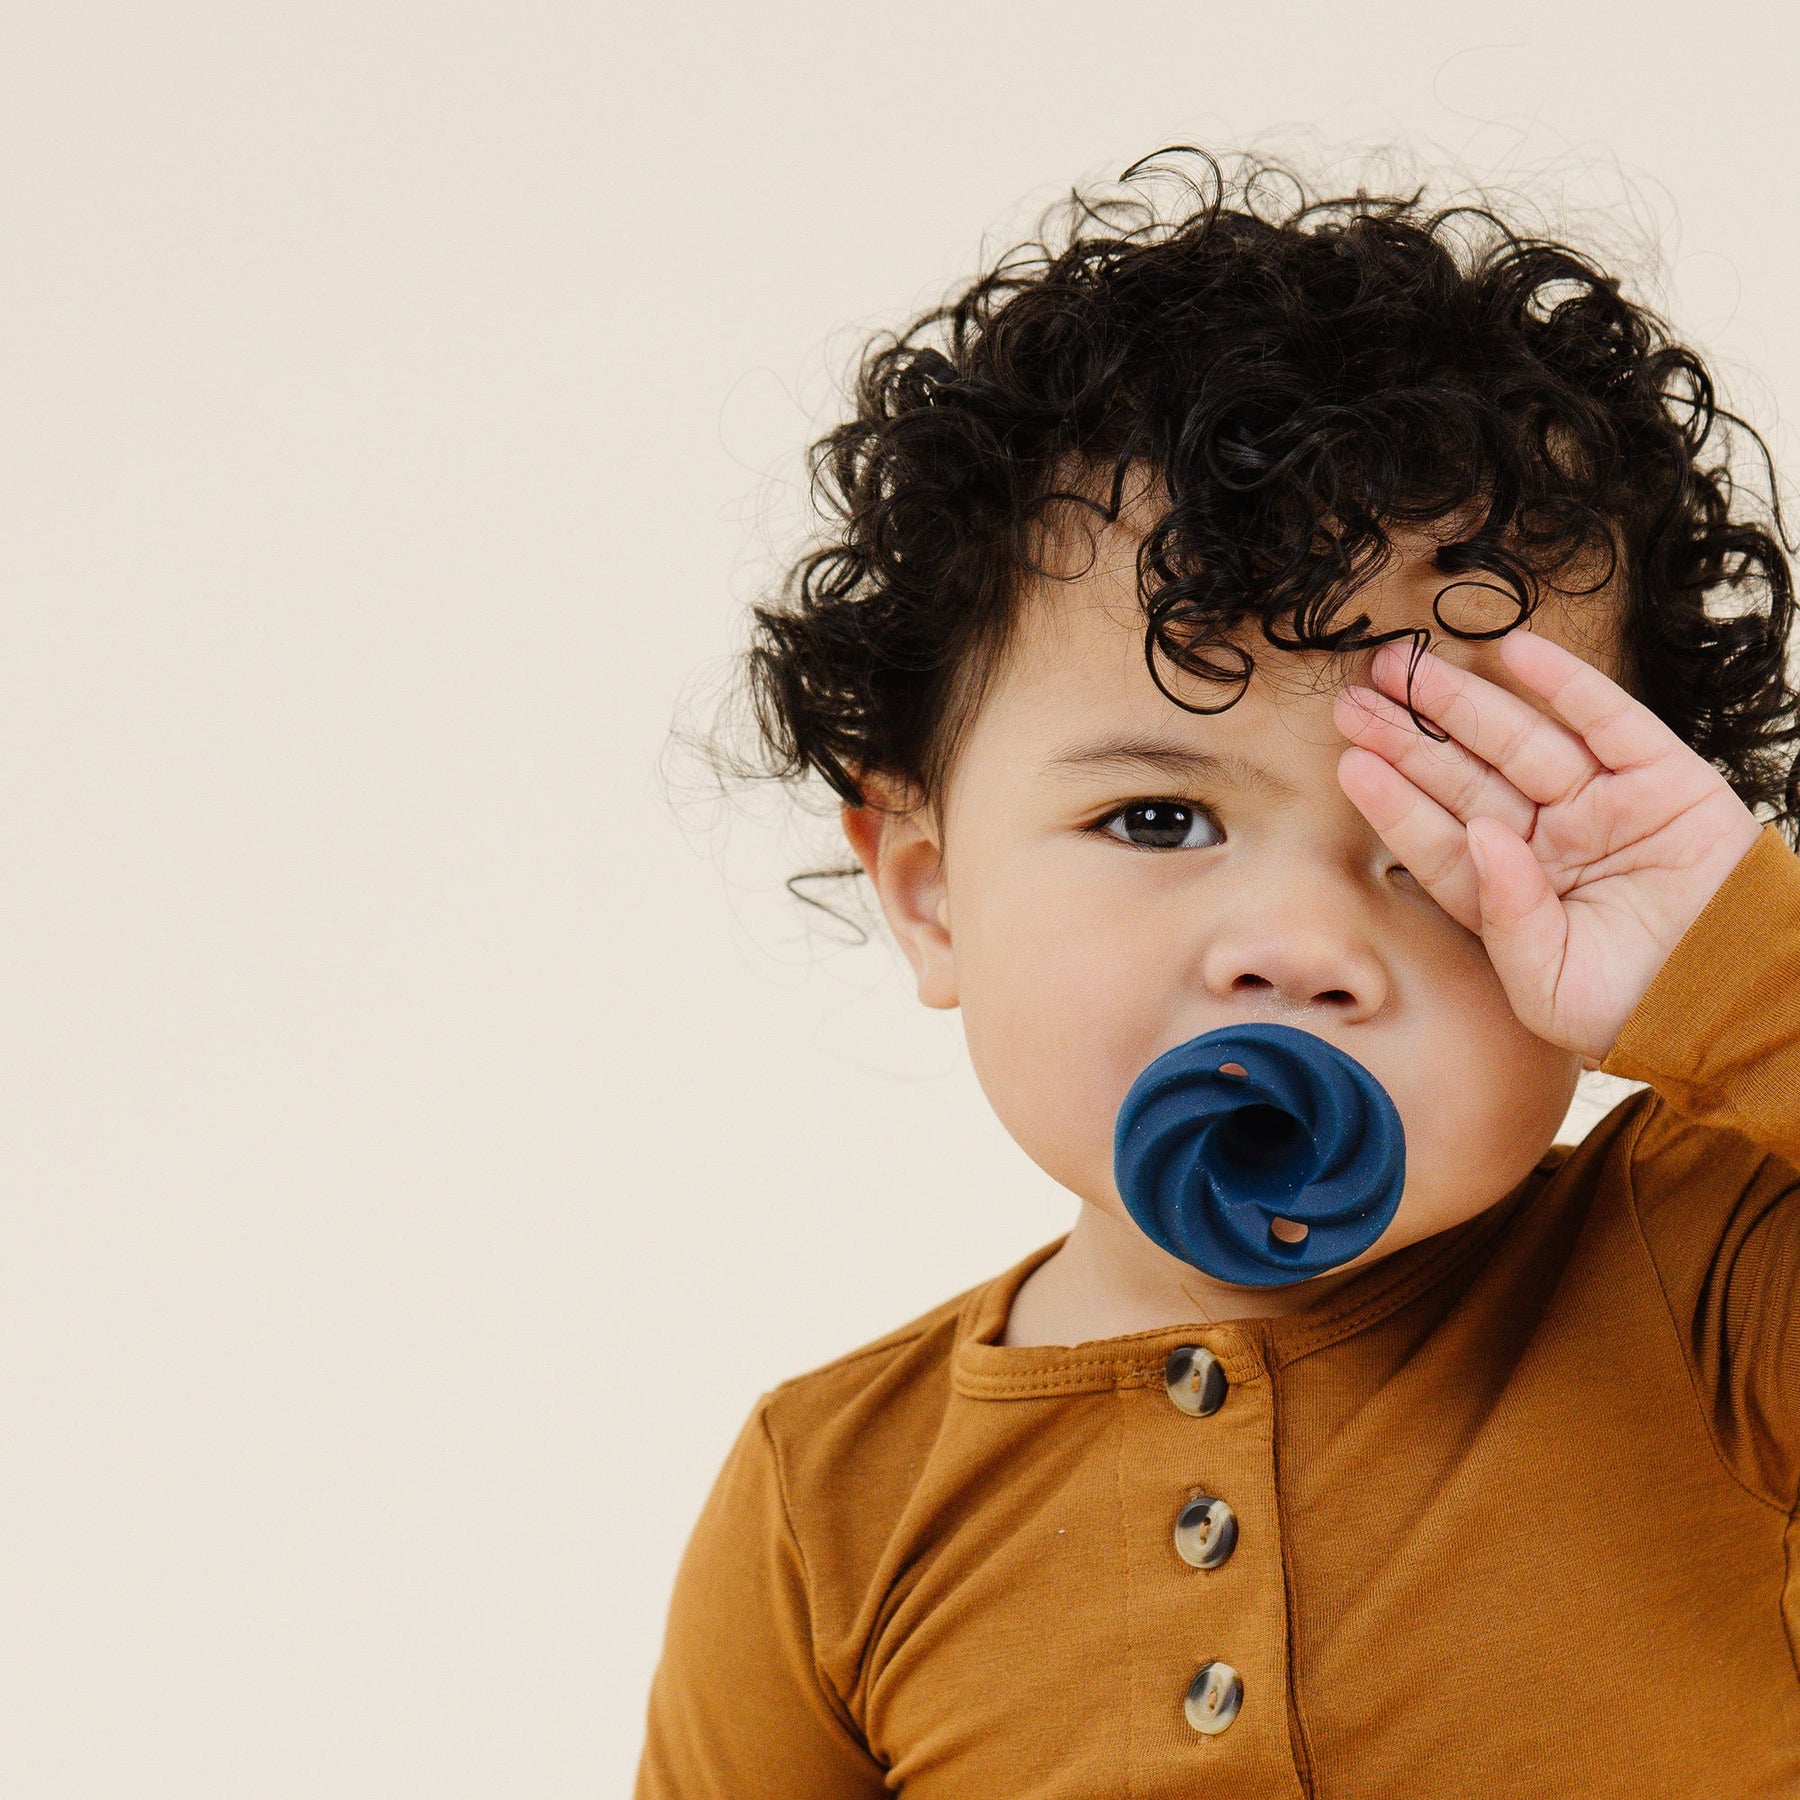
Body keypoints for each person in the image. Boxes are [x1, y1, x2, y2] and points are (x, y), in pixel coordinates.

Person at [634, 150, 1800, 1795]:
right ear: (932, 891)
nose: (1300, 949)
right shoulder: (826, 1515)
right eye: (1158, 817)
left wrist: (1740, 961)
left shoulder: (1712, 1277)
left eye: (1443, 842)